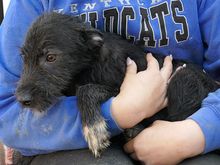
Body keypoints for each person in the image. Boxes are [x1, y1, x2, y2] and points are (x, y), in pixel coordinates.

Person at [0, 0, 220, 164]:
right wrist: (118, 112)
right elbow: (8, 114)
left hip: (190, 127)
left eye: (50, 58)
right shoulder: (30, 5)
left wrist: (195, 134)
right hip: (69, 140)